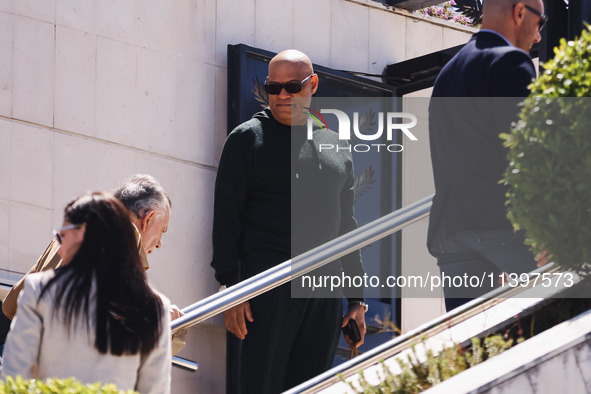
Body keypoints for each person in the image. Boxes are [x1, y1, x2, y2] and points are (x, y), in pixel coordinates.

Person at [211, 49, 367, 394]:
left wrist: (357, 299)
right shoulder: (247, 139)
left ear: (312, 85)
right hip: (268, 284)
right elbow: (226, 218)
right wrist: (230, 289)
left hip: (324, 289)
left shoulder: (336, 145)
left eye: (292, 86)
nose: (281, 95)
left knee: (313, 387)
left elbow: (347, 226)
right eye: (273, 87)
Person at [427, 0, 547, 311]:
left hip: (451, 231)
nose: (538, 37)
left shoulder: (448, 73)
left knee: (471, 349)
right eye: (541, 23)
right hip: (502, 227)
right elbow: (528, 155)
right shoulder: (511, 62)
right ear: (520, 12)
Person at [1, 192, 171, 393]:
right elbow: (154, 389)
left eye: (61, 236)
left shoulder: (39, 290)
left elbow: (12, 378)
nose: (59, 249)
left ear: (85, 234)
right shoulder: (156, 308)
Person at [1, 174, 185, 354]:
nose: (160, 242)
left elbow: (10, 305)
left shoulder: (68, 235)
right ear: (148, 218)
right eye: (163, 230)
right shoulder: (126, 236)